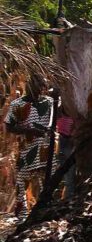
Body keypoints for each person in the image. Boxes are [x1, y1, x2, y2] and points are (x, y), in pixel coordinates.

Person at [4, 75, 54, 219]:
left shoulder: (50, 102)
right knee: (22, 183)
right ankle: (22, 217)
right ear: (28, 87)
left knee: (47, 183)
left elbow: (60, 115)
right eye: (36, 87)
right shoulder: (17, 104)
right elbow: (9, 126)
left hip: (46, 151)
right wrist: (28, 131)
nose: (39, 90)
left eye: (41, 87)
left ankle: (44, 215)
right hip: (27, 150)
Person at [55, 106, 75, 200]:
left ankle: (67, 199)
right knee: (67, 177)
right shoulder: (59, 111)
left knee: (69, 177)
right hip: (61, 142)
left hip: (67, 142)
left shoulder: (73, 112)